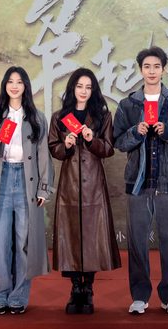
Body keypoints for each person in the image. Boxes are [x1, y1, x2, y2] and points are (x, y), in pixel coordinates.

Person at [113, 46, 168, 315]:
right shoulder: (128, 105)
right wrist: (135, 132)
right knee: (137, 242)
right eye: (147, 67)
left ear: (164, 69)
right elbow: (118, 141)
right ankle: (140, 296)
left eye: (156, 66)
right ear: (141, 70)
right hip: (138, 184)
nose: (151, 71)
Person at [0, 66, 54, 315]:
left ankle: (18, 297)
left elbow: (44, 156)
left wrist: (44, 189)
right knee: (0, 242)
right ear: (5, 85)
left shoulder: (36, 118)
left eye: (19, 82)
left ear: (26, 86)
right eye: (10, 81)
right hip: (1, 179)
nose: (15, 86)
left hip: (27, 181)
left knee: (24, 241)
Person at [48, 67, 121, 314]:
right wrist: (66, 144)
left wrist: (91, 139)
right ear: (72, 88)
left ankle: (88, 288)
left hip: (93, 184)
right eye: (80, 86)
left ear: (94, 91)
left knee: (92, 236)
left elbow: (108, 149)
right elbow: (54, 149)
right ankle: (75, 288)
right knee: (70, 235)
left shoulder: (102, 116)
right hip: (69, 184)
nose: (84, 91)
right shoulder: (60, 117)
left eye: (88, 87)